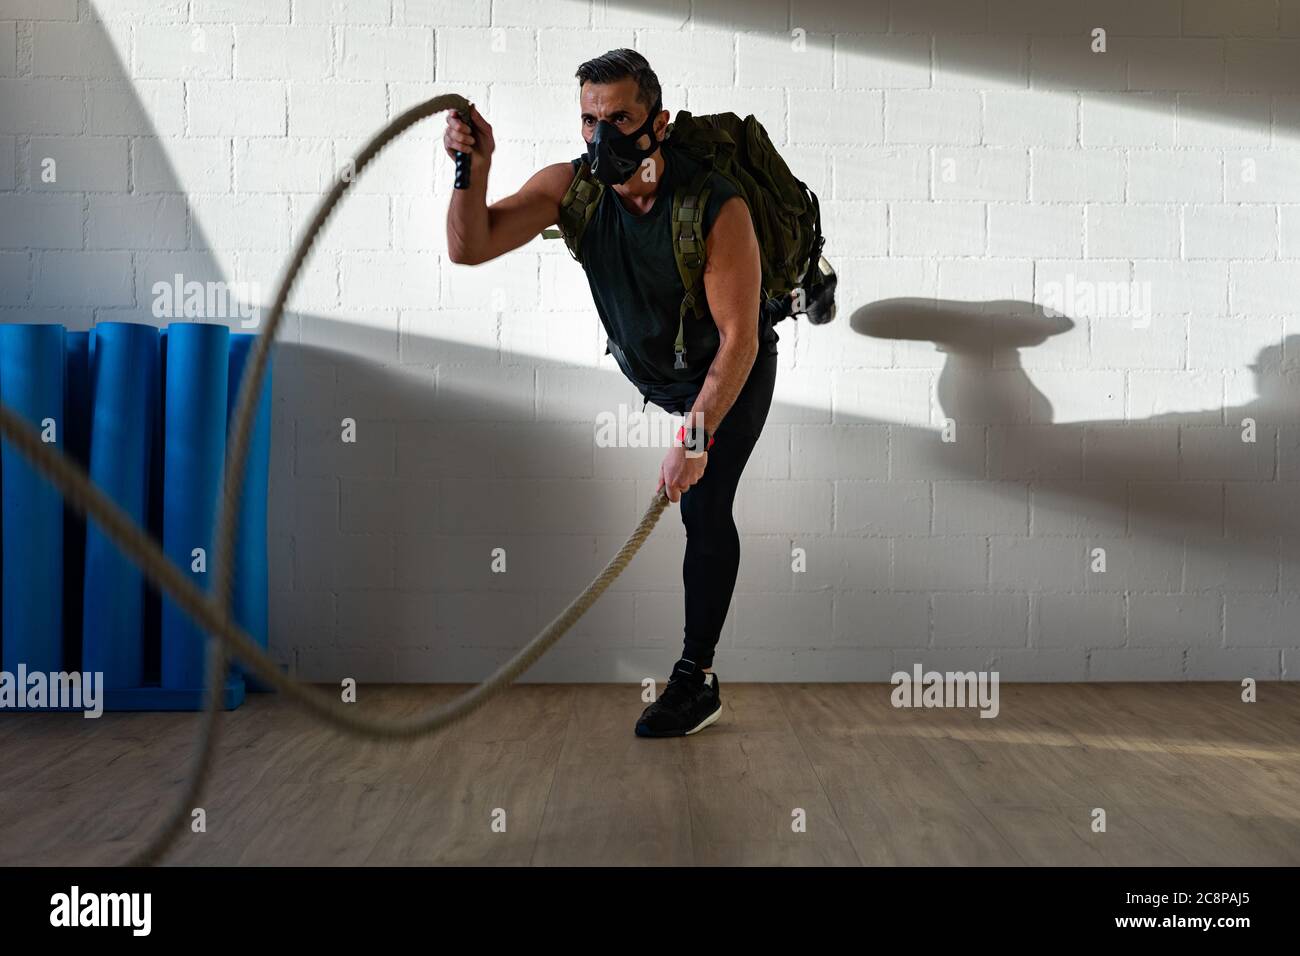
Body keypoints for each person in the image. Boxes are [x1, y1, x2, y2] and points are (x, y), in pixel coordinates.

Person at [444, 49, 779, 737]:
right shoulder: (575, 189)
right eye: (590, 121)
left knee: (706, 507)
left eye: (620, 118)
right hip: (660, 372)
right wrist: (471, 170)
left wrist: (693, 438)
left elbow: (739, 341)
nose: (603, 137)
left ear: (656, 122)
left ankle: (697, 679)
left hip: (729, 373)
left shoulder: (715, 206)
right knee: (697, 487)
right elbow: (470, 245)